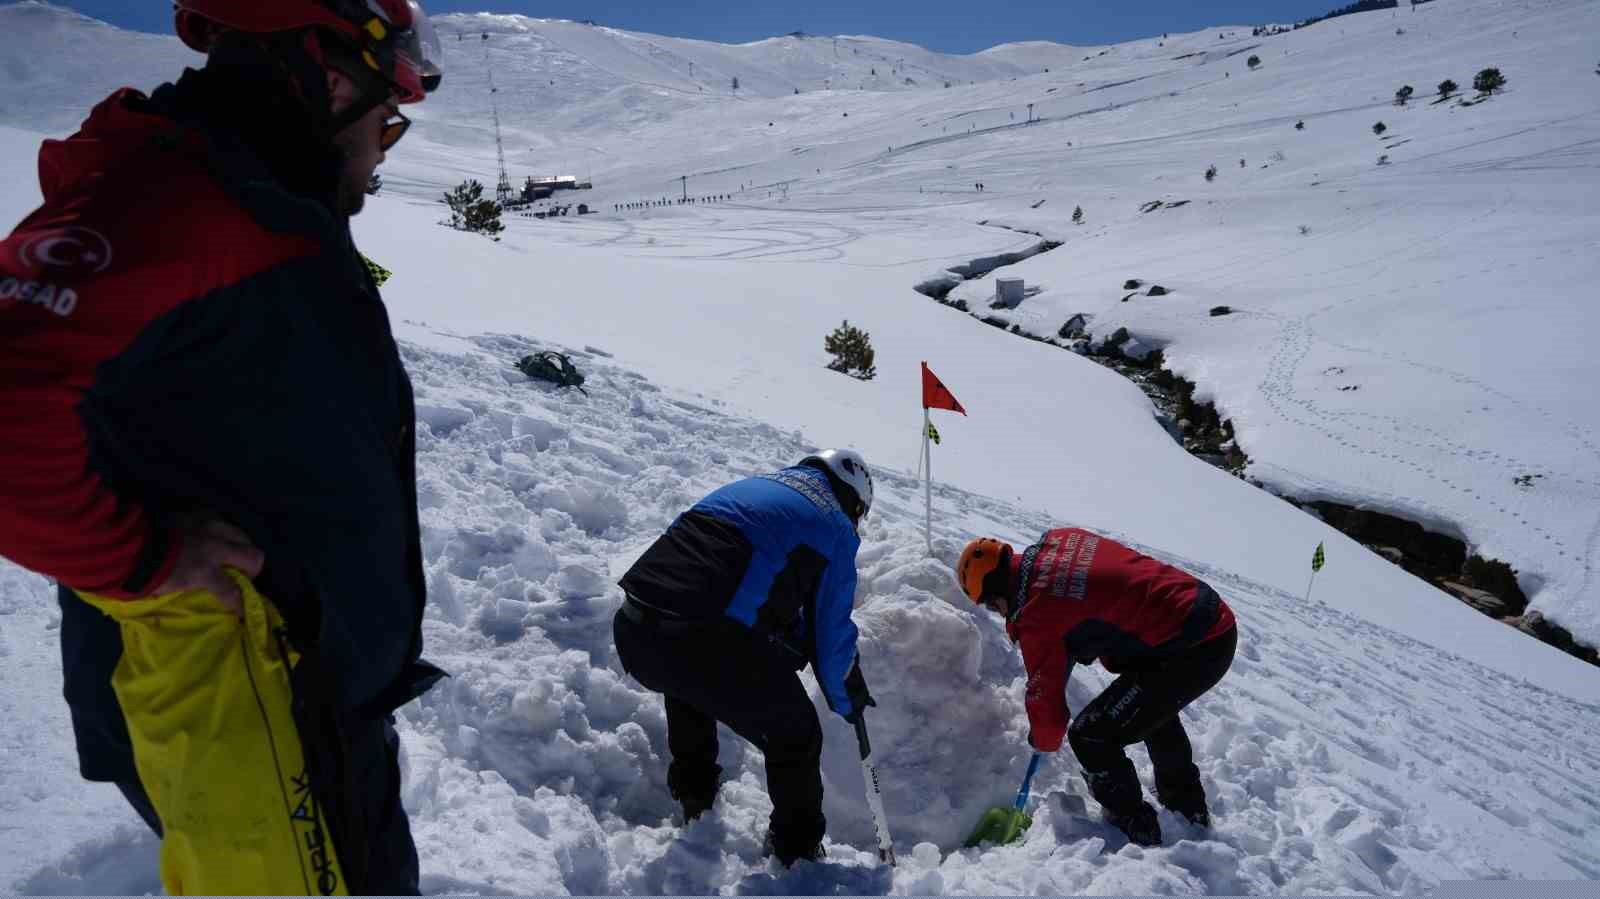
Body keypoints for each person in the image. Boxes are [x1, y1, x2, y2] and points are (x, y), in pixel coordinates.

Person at [0, 0, 445, 892]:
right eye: (386, 126)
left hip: (298, 695)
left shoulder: (254, 199)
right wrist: (137, 557)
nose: (381, 157)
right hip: (250, 713)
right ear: (326, 81)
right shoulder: (184, 199)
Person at [614, 450, 877, 866]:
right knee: (797, 734)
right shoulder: (836, 526)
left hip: (634, 628)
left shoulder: (749, 489)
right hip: (703, 640)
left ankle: (694, 798)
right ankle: (798, 853)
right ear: (855, 503)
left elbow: (721, 579)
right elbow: (832, 638)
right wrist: (849, 696)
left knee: (687, 680)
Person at [957, 529, 1237, 846]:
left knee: (1091, 735)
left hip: (1195, 646)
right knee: (1150, 705)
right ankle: (1186, 805)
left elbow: (1048, 720)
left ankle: (1135, 823)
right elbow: (1087, 594)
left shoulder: (1039, 615)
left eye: (992, 607)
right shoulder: (1060, 540)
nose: (998, 614)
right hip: (1204, 610)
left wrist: (1040, 735)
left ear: (997, 595)